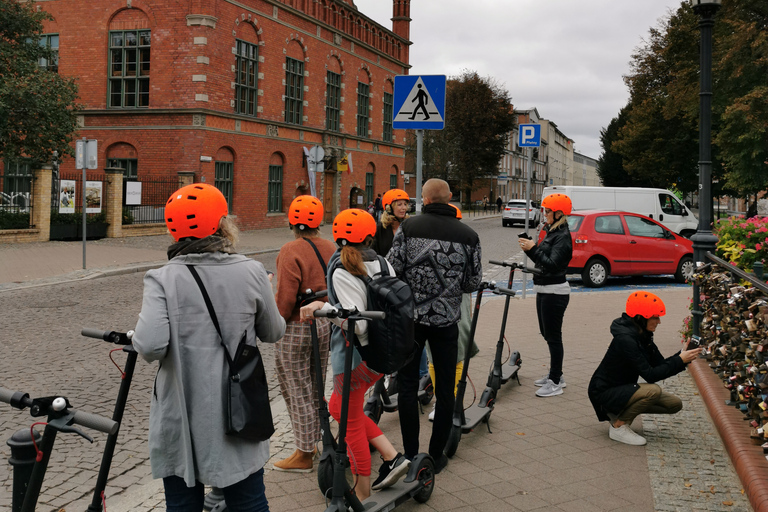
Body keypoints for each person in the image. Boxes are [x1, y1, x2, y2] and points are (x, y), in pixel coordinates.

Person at [133, 183, 285, 512]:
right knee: (249, 503)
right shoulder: (252, 271)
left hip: (181, 413)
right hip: (239, 411)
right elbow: (273, 331)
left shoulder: (161, 278)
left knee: (182, 504)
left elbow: (149, 346)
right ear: (222, 224)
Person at [300, 208, 409, 500]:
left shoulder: (341, 267)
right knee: (342, 409)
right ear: (370, 236)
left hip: (355, 357)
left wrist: (322, 311)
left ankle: (362, 492)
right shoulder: (384, 263)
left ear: (337, 236)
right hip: (382, 353)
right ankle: (391, 456)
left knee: (346, 418)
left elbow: (356, 323)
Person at [387, 178, 482, 474]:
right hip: (446, 322)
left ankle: (412, 453)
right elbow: (472, 282)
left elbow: (393, 268)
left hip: (411, 321)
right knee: (445, 388)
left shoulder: (409, 228)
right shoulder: (469, 235)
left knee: (406, 386)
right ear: (450, 198)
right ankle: (437, 454)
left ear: (424, 200)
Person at [272, 196, 336, 472]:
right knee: (316, 384)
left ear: (291, 222)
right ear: (319, 221)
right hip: (323, 322)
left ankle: (304, 452)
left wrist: (274, 322)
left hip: (298, 324)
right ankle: (318, 438)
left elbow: (286, 299)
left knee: (295, 387)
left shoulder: (291, 249)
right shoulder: (331, 246)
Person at [588, 292, 702, 446]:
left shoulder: (643, 335)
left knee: (674, 404)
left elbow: (659, 364)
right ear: (641, 317)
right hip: (604, 392)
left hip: (623, 389)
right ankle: (618, 427)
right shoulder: (626, 340)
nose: (659, 321)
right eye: (655, 317)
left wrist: (682, 355)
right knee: (652, 391)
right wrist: (680, 360)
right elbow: (650, 375)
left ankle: (623, 412)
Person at [519, 193, 573, 398]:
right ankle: (554, 373)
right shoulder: (551, 231)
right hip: (544, 289)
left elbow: (552, 264)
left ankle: (556, 381)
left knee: (553, 336)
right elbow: (542, 261)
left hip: (555, 292)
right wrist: (530, 248)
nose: (545, 214)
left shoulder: (563, 237)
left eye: (548, 211)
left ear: (559, 213)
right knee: (546, 333)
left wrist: (533, 249)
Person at [371, 189, 409, 256]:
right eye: (399, 205)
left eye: (405, 204)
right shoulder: (379, 229)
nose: (404, 208)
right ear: (389, 208)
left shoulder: (409, 226)